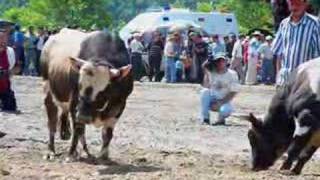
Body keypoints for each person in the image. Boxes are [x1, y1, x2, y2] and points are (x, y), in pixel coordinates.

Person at [272, 0, 320, 87]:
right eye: (292, 3)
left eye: (298, 3)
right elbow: (279, 54)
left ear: (305, 3)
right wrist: (278, 77)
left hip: (305, 85)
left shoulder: (315, 24)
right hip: (284, 83)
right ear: (288, 3)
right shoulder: (284, 24)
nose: (295, 6)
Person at [200, 52, 240, 125]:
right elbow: (204, 67)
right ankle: (205, 118)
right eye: (218, 60)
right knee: (204, 92)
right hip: (213, 99)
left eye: (222, 60)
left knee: (225, 111)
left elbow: (233, 92)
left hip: (225, 100)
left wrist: (220, 102)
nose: (220, 62)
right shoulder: (212, 72)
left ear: (226, 61)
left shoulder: (232, 74)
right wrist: (208, 60)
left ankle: (221, 120)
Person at [0, 30, 18, 113]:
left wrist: (9, 72)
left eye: (4, 38)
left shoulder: (10, 51)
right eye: (1, 38)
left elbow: (16, 67)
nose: (2, 40)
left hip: (5, 87)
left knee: (10, 109)